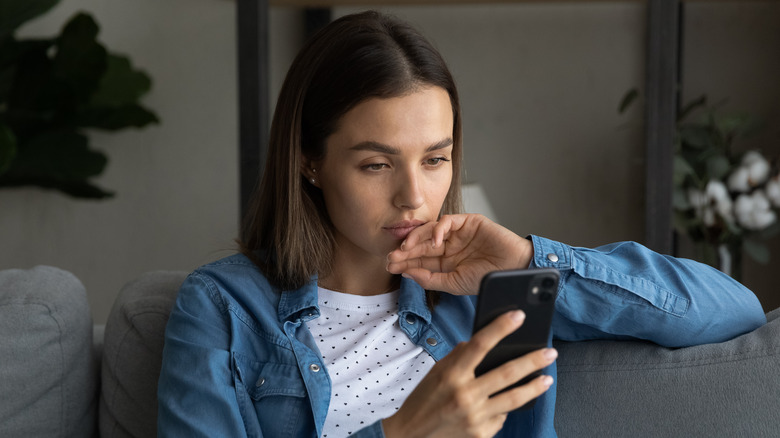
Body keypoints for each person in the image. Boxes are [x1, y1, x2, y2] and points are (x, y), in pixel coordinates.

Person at [157, 10, 766, 438]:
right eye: (376, 164)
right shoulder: (225, 309)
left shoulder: (491, 297)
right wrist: (401, 433)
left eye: (436, 159)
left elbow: (732, 310)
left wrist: (530, 261)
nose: (413, 197)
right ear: (310, 162)